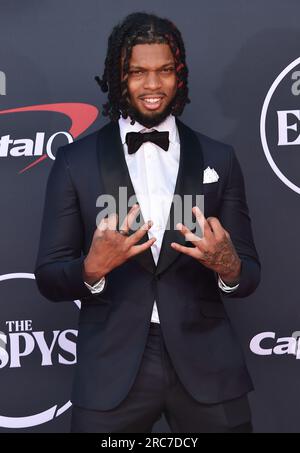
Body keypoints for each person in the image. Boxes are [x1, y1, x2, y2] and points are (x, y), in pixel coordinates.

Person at [35, 12, 261, 433]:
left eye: (164, 71)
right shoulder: (75, 163)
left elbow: (249, 276)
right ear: (117, 76)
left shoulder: (219, 158)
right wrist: (92, 268)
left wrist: (229, 267)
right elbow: (48, 277)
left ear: (180, 75)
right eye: (137, 72)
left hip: (207, 367)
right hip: (112, 371)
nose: (153, 86)